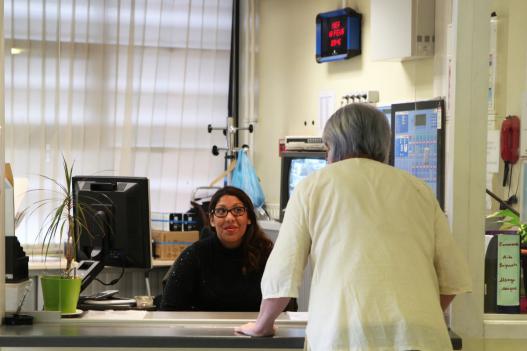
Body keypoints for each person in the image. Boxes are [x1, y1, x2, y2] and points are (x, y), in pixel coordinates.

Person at [235, 103, 472, 350]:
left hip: (344, 337)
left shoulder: (312, 187)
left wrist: (262, 325)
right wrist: (414, 319)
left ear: (336, 145)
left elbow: (283, 271)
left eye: (327, 150)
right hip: (422, 338)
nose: (327, 157)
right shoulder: (419, 190)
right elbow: (451, 279)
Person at [160, 186, 274, 311]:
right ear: (212, 220)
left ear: (249, 218)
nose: (230, 218)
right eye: (221, 211)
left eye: (238, 210)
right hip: (204, 329)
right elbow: (169, 308)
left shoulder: (266, 255)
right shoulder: (195, 255)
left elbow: (286, 306)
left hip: (256, 329)